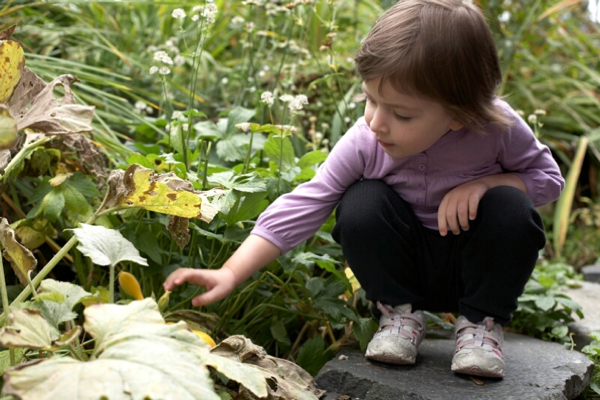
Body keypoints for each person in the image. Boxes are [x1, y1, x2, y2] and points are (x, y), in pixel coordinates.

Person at [164, 0, 564, 379]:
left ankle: (481, 325)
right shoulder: (366, 140)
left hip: (471, 267)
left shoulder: (496, 129)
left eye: (401, 113)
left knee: (511, 206)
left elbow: (548, 180)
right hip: (403, 268)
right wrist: (230, 271)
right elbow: (310, 199)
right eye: (369, 99)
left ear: (461, 114)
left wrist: (488, 183)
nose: (376, 122)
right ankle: (399, 316)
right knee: (360, 202)